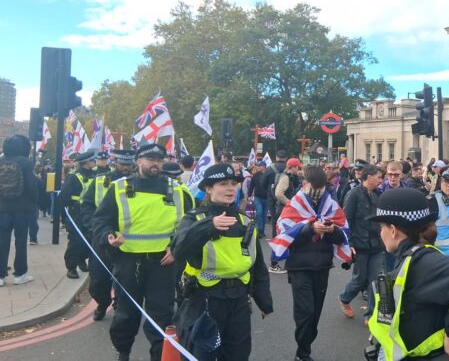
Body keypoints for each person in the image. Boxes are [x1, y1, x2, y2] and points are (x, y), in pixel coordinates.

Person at [367, 188, 449, 361]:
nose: (380, 233)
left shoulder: (422, 262)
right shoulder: (415, 258)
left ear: (393, 230)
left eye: (381, 227)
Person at [93, 144, 195, 361]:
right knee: (126, 314)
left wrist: (176, 248)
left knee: (162, 316)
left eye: (159, 159)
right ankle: (123, 352)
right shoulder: (119, 188)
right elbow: (101, 220)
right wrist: (108, 236)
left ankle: (158, 356)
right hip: (129, 262)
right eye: (151, 159)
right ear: (138, 161)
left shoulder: (177, 190)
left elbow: (189, 225)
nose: (156, 163)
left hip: (163, 264)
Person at [172, 163, 273, 360]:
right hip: (205, 300)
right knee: (202, 355)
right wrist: (209, 226)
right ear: (208, 189)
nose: (230, 189)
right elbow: (180, 248)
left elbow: (258, 264)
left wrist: (264, 301)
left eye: (234, 184)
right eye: (223, 184)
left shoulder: (245, 221)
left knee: (238, 355)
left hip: (238, 300)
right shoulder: (195, 218)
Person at [269, 165, 351, 361]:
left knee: (315, 314)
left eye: (321, 187)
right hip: (299, 267)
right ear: (305, 184)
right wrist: (309, 229)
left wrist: (333, 231)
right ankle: (303, 352)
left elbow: (344, 234)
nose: (317, 191)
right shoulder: (294, 205)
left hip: (322, 266)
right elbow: (285, 235)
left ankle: (305, 345)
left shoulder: (331, 205)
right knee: (305, 312)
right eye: (314, 186)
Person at [81, 149, 136, 321]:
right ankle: (102, 302)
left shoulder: (139, 183)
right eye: (123, 164)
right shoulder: (100, 181)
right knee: (98, 277)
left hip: (126, 239)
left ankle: (120, 303)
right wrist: (93, 227)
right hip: (103, 236)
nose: (126, 168)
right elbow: (87, 205)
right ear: (115, 163)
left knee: (125, 277)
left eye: (129, 164)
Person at [338, 164, 383, 322]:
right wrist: (349, 244)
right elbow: (345, 221)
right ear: (369, 177)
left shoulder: (378, 194)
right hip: (359, 244)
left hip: (377, 245)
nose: (381, 180)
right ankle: (344, 297)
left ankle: (370, 314)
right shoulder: (354, 194)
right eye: (378, 177)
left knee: (375, 280)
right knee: (359, 279)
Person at [0, 135, 38, 286]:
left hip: (3, 209)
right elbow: (32, 186)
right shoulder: (25, 162)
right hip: (22, 209)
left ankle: (1, 276)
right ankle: (20, 274)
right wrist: (35, 202)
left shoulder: (1, 161)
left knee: (2, 241)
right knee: (21, 241)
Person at [59, 150, 96, 279]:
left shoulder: (96, 175)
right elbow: (63, 197)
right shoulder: (73, 177)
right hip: (77, 213)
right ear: (87, 162)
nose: (94, 162)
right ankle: (71, 267)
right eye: (93, 160)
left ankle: (81, 258)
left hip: (91, 212)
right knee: (76, 241)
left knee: (90, 239)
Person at [269, 157, 303, 274]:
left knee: (285, 237)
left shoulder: (286, 176)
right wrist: (290, 204)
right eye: (297, 168)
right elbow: (279, 194)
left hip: (284, 210)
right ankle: (273, 264)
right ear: (292, 167)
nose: (298, 170)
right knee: (281, 237)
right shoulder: (286, 178)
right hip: (284, 211)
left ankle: (280, 263)